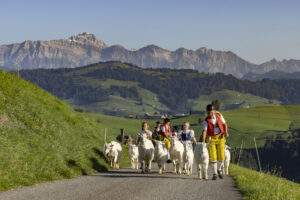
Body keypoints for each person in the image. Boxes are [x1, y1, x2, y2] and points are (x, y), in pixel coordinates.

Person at [201, 104, 229, 180]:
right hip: (211, 139)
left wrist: (226, 132)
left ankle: (219, 169)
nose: (210, 114)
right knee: (213, 156)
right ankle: (215, 173)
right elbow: (204, 131)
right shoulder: (206, 121)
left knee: (222, 156)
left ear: (215, 111)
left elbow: (224, 124)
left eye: (212, 112)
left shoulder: (219, 115)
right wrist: (203, 142)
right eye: (209, 113)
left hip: (220, 137)